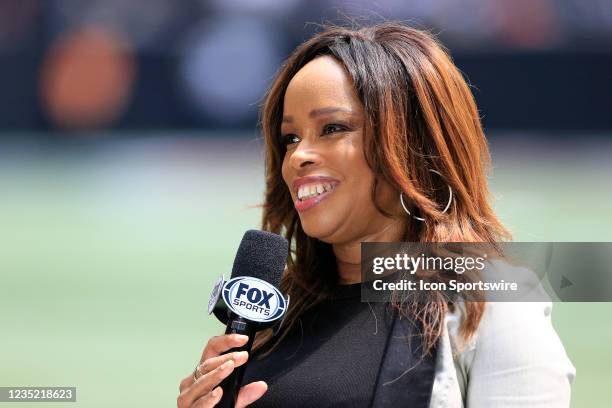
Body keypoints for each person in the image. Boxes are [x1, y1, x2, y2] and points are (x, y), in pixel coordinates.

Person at [177, 22, 575, 408]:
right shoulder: (279, 314)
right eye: (290, 138)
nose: (298, 156)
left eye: (332, 128)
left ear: (412, 145)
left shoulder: (489, 301)